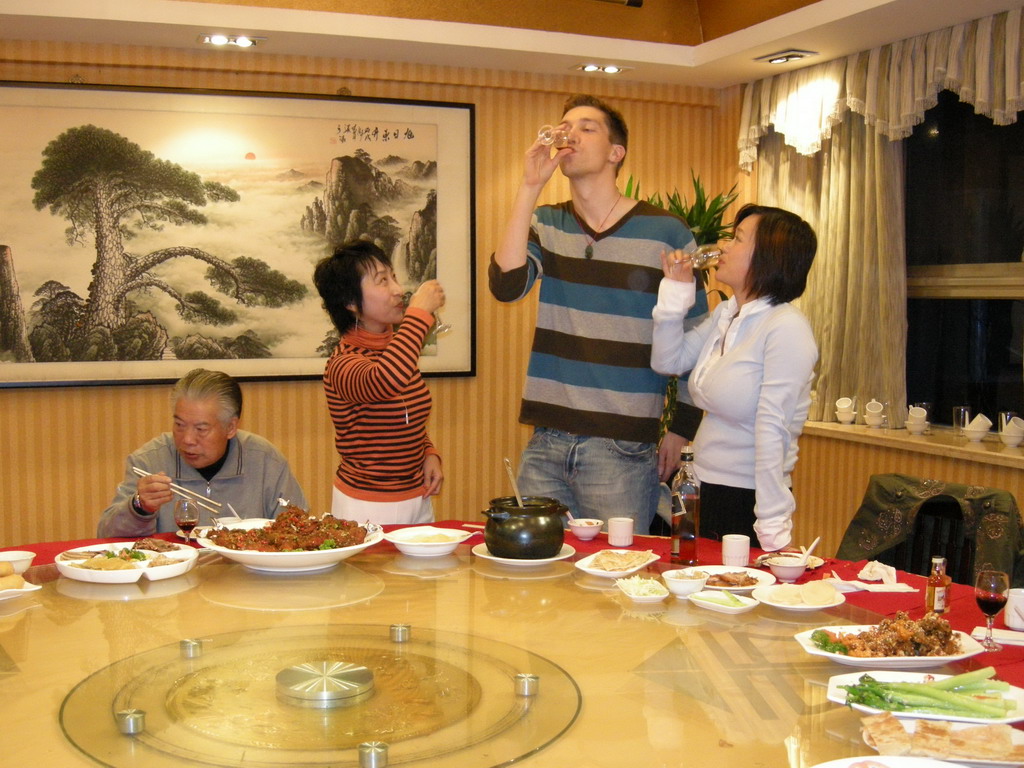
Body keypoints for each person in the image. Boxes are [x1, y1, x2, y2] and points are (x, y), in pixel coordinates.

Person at [490, 93, 707, 532]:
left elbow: (697, 336)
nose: (570, 134)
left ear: (616, 152)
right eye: (566, 126)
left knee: (616, 577)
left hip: (622, 446)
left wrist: (682, 427)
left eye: (587, 127)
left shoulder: (665, 231)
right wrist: (529, 186)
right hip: (547, 439)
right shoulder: (548, 222)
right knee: (536, 572)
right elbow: (506, 286)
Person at [651, 203, 818, 551]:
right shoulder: (728, 314)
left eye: (738, 239)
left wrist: (773, 529)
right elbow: (668, 360)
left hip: (747, 498)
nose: (723, 247)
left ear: (768, 258)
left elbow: (774, 429)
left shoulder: (786, 327)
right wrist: (675, 291)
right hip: (703, 486)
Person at [313, 240, 445, 525]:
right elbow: (385, 381)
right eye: (382, 281)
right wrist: (420, 313)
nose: (398, 290)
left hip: (416, 496)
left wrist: (428, 451)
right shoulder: (343, 363)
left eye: (394, 277)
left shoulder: (396, 350)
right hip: (366, 504)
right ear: (350, 302)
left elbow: (404, 415)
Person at [98, 368, 308, 537]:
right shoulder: (148, 461)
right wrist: (139, 507)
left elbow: (299, 531)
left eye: (201, 429)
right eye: (179, 425)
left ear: (230, 427)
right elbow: (105, 536)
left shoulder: (265, 461)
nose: (187, 439)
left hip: (247, 581)